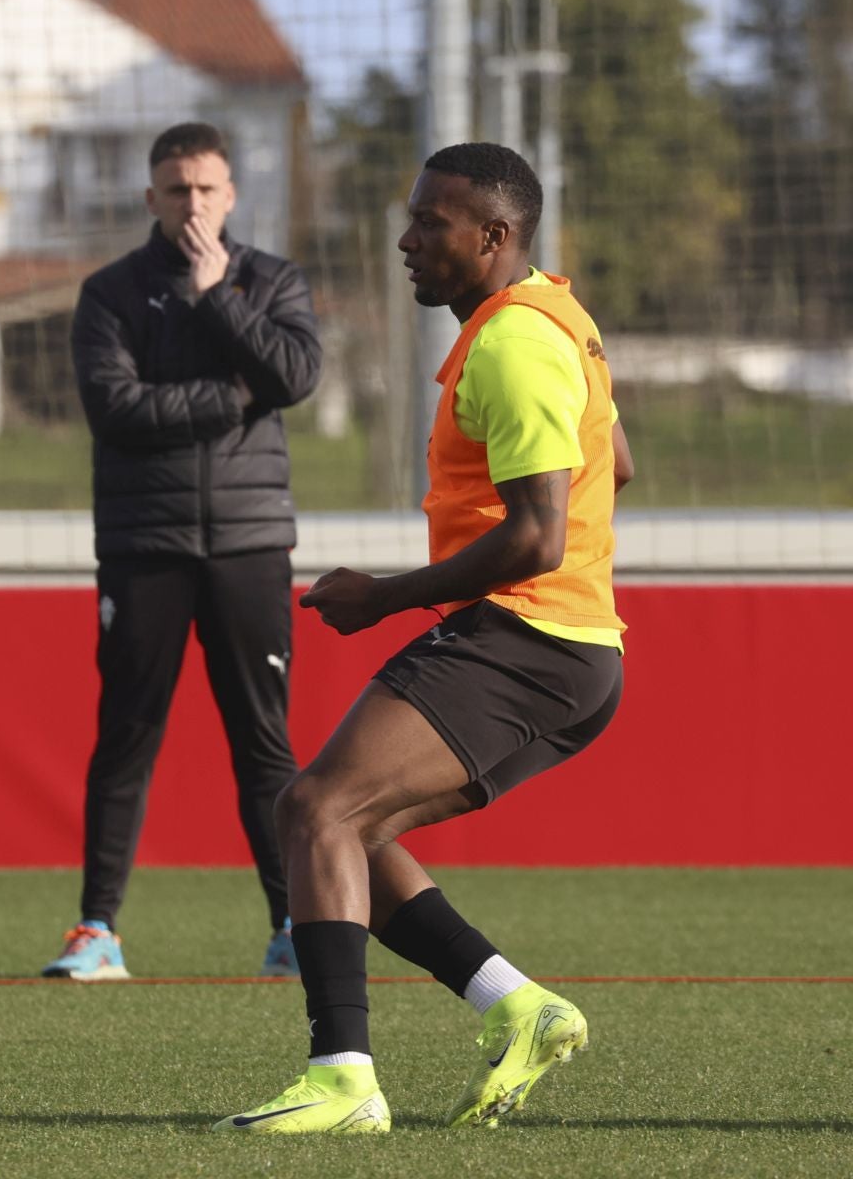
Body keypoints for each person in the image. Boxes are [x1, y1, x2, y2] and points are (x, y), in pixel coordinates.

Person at [214, 141, 634, 1135]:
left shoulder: (515, 343)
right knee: (339, 824)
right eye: (410, 216)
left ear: (494, 237)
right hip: (566, 644)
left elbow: (536, 533)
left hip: (529, 639)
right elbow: (614, 459)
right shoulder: (552, 316)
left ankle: (342, 1077)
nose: (406, 240)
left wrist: (386, 595)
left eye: (430, 223)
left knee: (316, 806)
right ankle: (520, 1006)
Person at [45, 122, 322, 982]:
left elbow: (298, 377)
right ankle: (97, 933)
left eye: (206, 189)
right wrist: (235, 397)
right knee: (126, 734)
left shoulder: (270, 280)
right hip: (144, 543)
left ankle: (292, 929)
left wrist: (218, 300)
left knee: (263, 743)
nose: (192, 203)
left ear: (231, 194)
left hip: (249, 542)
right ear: (150, 198)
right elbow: (116, 409)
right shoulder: (111, 292)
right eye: (176, 189)